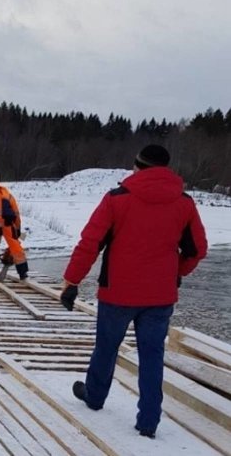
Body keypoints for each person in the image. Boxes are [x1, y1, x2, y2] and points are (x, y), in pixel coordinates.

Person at [60, 144, 207, 439]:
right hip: (160, 297)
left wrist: (72, 281)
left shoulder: (117, 199)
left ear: (137, 167)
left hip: (117, 294)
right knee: (152, 356)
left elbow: (90, 243)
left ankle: (95, 397)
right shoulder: (184, 202)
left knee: (106, 348)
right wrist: (177, 272)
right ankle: (149, 420)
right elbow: (197, 249)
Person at [0, 169, 29, 279]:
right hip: (8, 222)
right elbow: (16, 212)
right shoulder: (6, 193)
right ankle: (23, 272)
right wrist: (18, 228)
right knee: (16, 247)